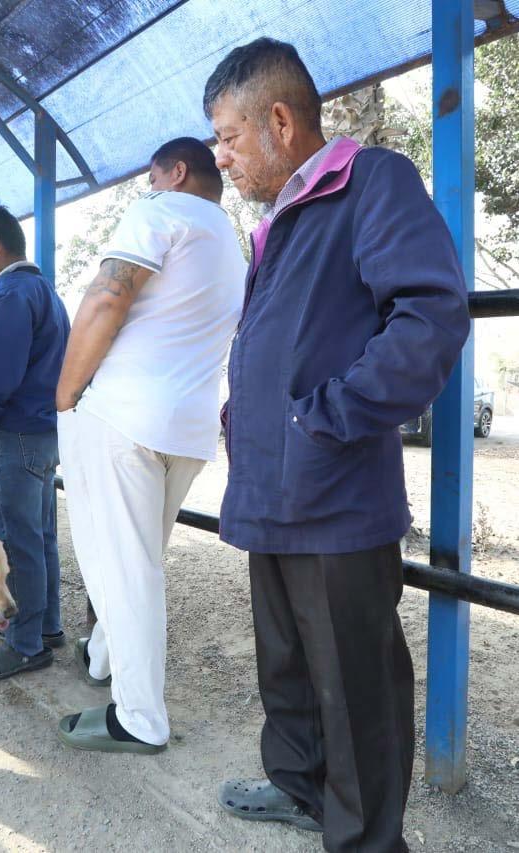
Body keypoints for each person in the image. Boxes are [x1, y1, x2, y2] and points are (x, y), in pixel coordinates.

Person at [202, 39, 470, 852]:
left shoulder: (369, 182)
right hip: (269, 485)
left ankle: (366, 840)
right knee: (284, 662)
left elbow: (429, 314)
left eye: (228, 137)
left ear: (280, 122)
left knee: (354, 685)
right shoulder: (278, 219)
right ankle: (296, 784)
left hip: (333, 488)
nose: (220, 158)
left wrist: (325, 417)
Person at [54, 138, 246, 754]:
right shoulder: (231, 243)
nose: (149, 188)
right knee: (138, 560)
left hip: (123, 416)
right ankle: (102, 656)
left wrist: (65, 393)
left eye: (153, 177)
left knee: (121, 566)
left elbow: (108, 295)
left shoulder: (160, 212)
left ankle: (139, 718)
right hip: (187, 428)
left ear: (177, 172)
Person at [0, 204, 70, 681]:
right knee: (37, 539)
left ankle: (23, 645)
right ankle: (45, 628)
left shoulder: (8, 294)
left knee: (13, 547)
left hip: (7, 435)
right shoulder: (43, 290)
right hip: (38, 434)